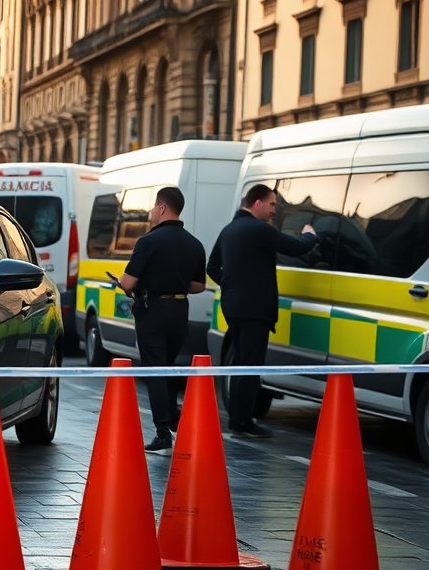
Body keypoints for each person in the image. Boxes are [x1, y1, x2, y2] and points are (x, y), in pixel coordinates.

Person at [206, 184, 317, 438]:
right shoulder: (259, 230)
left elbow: (212, 267)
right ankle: (242, 421)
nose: (274, 211)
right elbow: (297, 248)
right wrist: (310, 235)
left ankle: (237, 418)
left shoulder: (229, 230)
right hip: (255, 310)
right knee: (250, 365)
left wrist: (232, 285)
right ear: (257, 203)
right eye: (272, 204)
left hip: (233, 308)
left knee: (240, 364)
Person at [118, 187, 206, 454]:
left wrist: (137, 285)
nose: (152, 213)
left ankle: (162, 431)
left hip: (153, 311)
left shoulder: (148, 241)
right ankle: (173, 416)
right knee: (167, 367)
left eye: (154, 208)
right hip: (180, 311)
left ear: (162, 207)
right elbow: (199, 286)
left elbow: (128, 282)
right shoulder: (194, 243)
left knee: (155, 370)